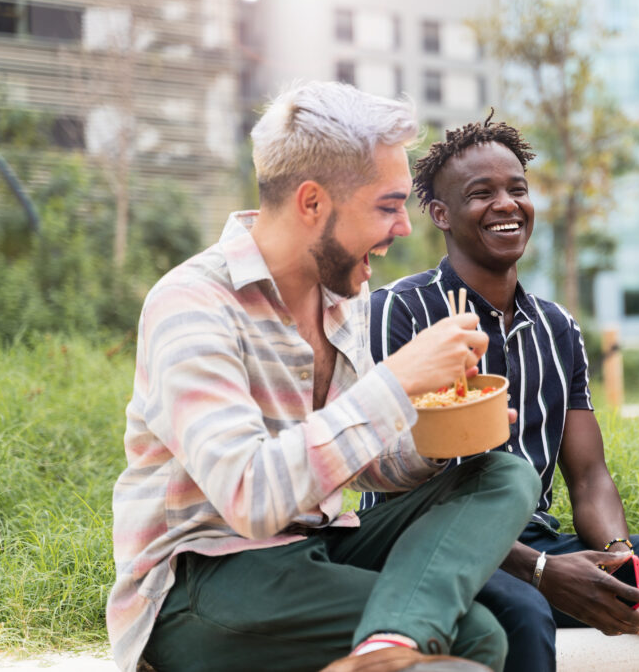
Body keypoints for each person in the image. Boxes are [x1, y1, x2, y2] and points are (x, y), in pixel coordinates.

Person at [105, 81, 543, 672]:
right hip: (200, 583)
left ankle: (390, 642)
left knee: (502, 474)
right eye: (387, 206)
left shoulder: (341, 297)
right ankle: (397, 642)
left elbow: (364, 465)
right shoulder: (192, 304)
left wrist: (441, 435)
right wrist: (394, 381)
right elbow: (250, 498)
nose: (405, 228)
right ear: (312, 204)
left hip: (315, 547)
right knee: (477, 638)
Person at [363, 116, 639, 672]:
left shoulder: (557, 328)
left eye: (516, 189)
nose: (506, 204)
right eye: (481, 194)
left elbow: (589, 475)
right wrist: (542, 573)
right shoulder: (397, 311)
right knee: (523, 612)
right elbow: (396, 491)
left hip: (538, 541)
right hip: (431, 553)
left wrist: (617, 558)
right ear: (441, 214)